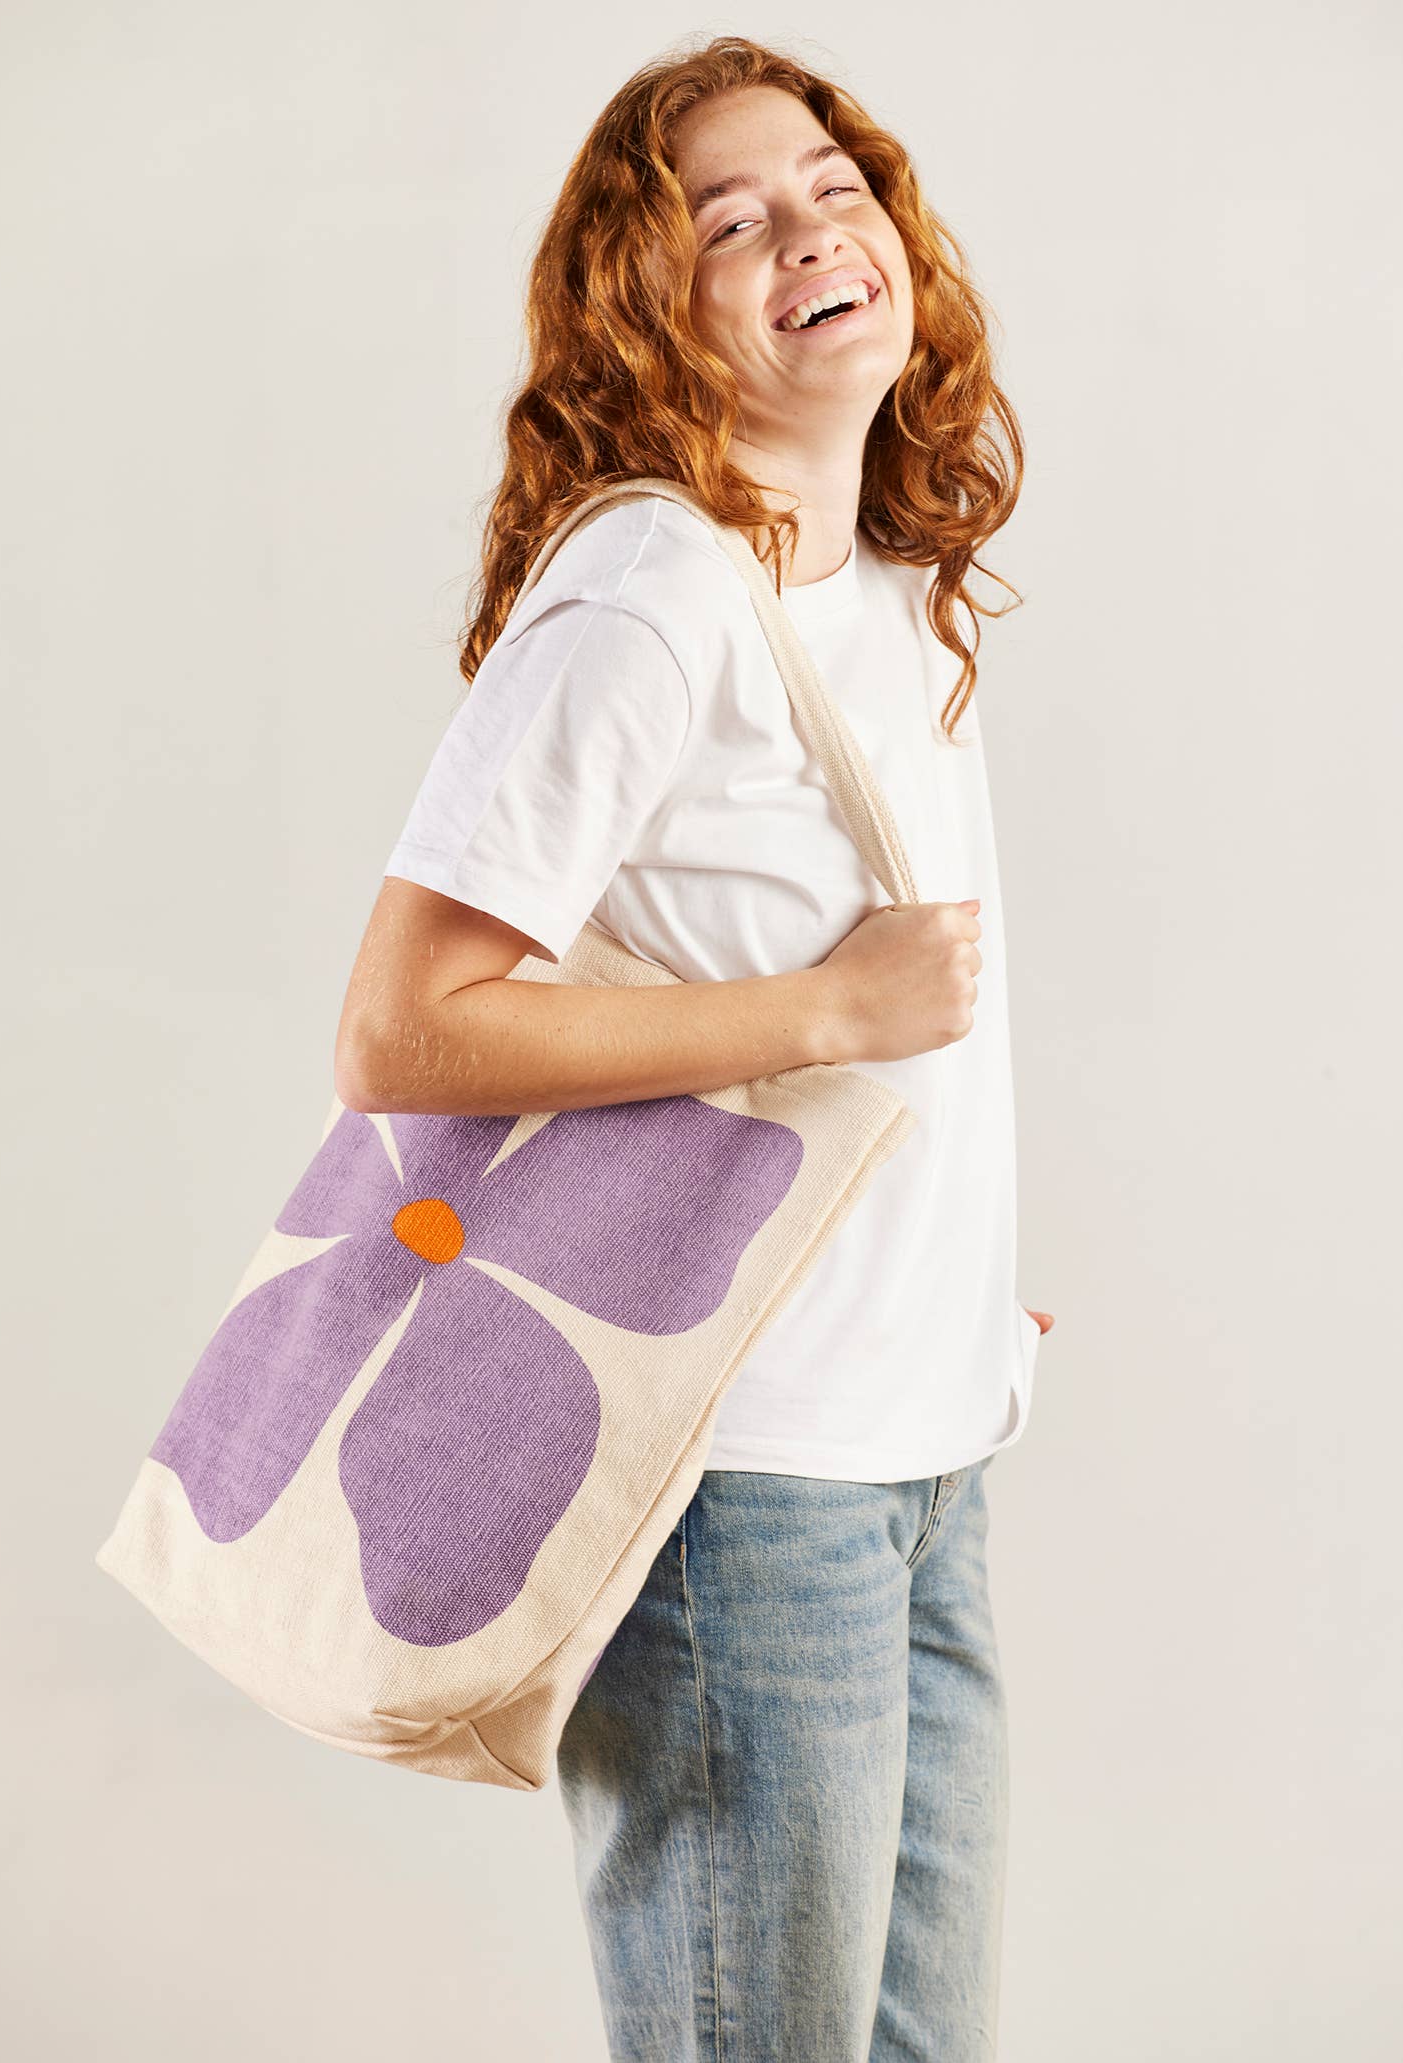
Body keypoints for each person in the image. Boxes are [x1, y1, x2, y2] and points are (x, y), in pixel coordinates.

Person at [336, 34, 1054, 2063]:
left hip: (923, 1448)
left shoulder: (891, 585)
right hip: (741, 1485)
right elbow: (399, 1027)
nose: (808, 235)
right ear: (646, 311)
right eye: (728, 223)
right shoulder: (651, 586)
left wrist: (957, 1278)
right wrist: (830, 1010)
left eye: (832, 188)